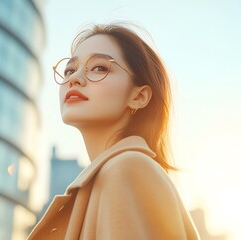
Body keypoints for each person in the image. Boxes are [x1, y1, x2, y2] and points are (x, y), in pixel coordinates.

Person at [27, 23, 200, 240]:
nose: (74, 78)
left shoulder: (127, 168)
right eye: (70, 70)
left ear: (139, 96)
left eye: (99, 68)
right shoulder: (105, 180)